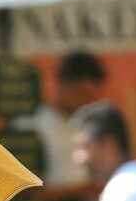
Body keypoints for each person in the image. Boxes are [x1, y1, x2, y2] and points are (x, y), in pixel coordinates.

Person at [14, 51, 106, 190]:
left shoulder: (90, 125)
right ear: (61, 85)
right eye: (81, 93)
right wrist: (80, 191)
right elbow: (24, 191)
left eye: (92, 96)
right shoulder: (30, 126)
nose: (87, 102)